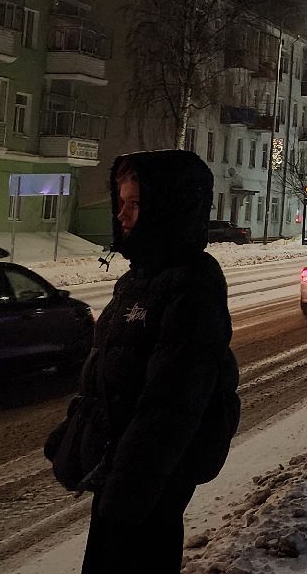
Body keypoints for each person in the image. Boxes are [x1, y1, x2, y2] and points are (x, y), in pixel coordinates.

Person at [46, 150, 240, 574]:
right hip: (122, 469)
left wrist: (129, 492)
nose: (122, 215)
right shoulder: (137, 278)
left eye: (134, 204)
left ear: (166, 207)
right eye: (121, 202)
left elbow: (170, 405)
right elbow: (111, 370)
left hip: (150, 479)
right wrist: (77, 426)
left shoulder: (193, 282)